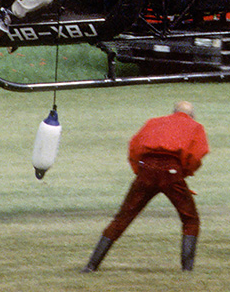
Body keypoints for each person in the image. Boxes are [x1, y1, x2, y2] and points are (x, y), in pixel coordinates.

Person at [81, 101, 210, 273]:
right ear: (192, 116)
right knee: (190, 219)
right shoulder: (195, 126)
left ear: (173, 112)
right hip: (172, 171)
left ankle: (91, 265)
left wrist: (139, 172)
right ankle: (187, 269)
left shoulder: (153, 122)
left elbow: (134, 147)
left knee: (123, 217)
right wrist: (182, 174)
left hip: (146, 170)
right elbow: (196, 155)